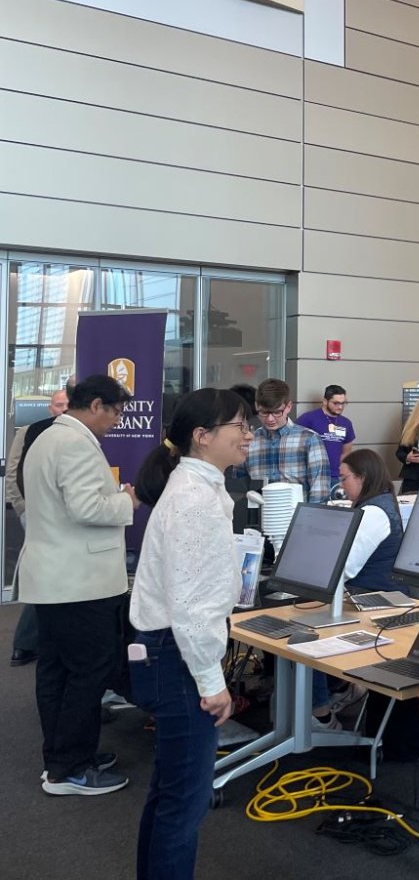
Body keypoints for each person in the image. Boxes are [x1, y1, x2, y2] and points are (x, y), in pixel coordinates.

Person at [128, 389, 251, 877]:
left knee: (171, 791)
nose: (247, 435)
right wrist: (211, 682)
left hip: (168, 650)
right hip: (177, 654)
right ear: (202, 437)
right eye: (238, 426)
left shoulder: (199, 487)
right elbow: (192, 609)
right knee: (185, 800)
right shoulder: (194, 500)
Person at [15, 374, 138, 796]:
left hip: (54, 579)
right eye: (116, 412)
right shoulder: (74, 443)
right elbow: (87, 508)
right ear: (97, 405)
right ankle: (70, 769)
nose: (117, 421)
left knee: (57, 671)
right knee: (88, 671)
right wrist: (128, 500)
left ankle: (63, 757)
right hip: (78, 583)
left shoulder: (48, 437)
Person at [6, 386, 69, 667]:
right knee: (42, 577)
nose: (62, 409)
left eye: (67, 404)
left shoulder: (79, 435)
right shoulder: (31, 431)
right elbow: (13, 471)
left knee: (54, 579)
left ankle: (37, 641)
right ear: (50, 408)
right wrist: (21, 508)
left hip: (66, 518)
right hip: (36, 514)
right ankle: (25, 642)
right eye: (58, 405)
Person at [240, 378, 330, 504]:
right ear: (256, 406)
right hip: (258, 520)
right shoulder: (249, 441)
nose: (270, 419)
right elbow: (239, 489)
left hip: (297, 520)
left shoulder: (309, 439)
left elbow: (319, 493)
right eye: (264, 412)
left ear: (288, 407)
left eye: (277, 412)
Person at [338, 449, 408, 595]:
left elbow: (345, 567)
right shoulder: (382, 501)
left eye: (344, 478)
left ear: (362, 477)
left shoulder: (374, 513)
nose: (341, 486)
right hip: (371, 591)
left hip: (374, 594)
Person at [296, 385, 356, 487]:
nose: (340, 407)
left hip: (335, 477)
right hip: (311, 475)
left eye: (343, 403)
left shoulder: (346, 423)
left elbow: (346, 452)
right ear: (325, 401)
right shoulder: (308, 419)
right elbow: (294, 445)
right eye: (336, 403)